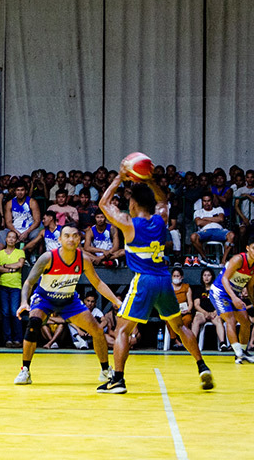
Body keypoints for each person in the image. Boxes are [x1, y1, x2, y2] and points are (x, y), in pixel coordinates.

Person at [98, 159, 213, 394]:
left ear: (132, 204)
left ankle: (118, 380)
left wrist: (120, 176)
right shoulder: (160, 219)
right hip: (164, 280)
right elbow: (163, 200)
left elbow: (103, 204)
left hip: (145, 280)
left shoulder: (129, 224)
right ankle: (202, 366)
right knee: (179, 326)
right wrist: (149, 179)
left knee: (122, 330)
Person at [14, 226, 122, 386]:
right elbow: (29, 282)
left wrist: (116, 301)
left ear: (79, 239)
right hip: (45, 298)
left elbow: (98, 283)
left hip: (69, 300)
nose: (71, 239)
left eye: (74, 236)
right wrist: (24, 301)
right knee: (34, 323)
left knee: (97, 330)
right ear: (60, 239)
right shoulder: (47, 257)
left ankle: (105, 371)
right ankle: (25, 371)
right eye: (67, 236)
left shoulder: (83, 259)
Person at [208, 239, 254, 362]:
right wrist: (234, 297)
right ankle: (238, 352)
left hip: (234, 294)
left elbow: (249, 287)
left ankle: (241, 353)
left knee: (245, 321)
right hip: (220, 292)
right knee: (231, 319)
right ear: (248, 248)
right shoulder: (238, 259)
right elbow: (224, 279)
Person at [0, 230, 26, 347]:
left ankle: (18, 339)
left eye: (14, 238)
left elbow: (20, 265)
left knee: (15, 312)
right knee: (5, 313)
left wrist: (5, 266)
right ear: (6, 239)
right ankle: (8, 339)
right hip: (3, 285)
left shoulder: (20, 252)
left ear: (17, 240)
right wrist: (11, 269)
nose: (11, 239)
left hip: (15, 286)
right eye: (9, 237)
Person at [188, 194, 235, 266]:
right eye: (204, 201)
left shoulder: (219, 209)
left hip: (219, 231)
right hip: (205, 231)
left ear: (212, 201)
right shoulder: (198, 212)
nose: (206, 203)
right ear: (202, 202)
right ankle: (205, 258)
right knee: (193, 237)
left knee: (231, 235)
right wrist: (215, 219)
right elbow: (198, 222)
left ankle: (223, 261)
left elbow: (221, 219)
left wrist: (204, 218)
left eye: (208, 201)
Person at [191, 268, 227, 351]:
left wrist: (215, 312)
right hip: (202, 313)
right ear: (202, 277)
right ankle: (192, 343)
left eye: (209, 275)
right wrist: (205, 313)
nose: (206, 278)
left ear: (212, 277)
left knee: (219, 320)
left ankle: (222, 343)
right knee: (196, 320)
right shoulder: (198, 290)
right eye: (204, 275)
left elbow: (221, 303)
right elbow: (196, 305)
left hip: (215, 313)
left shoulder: (217, 289)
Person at [4, 181, 43, 255]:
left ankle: (31, 255)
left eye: (22, 190)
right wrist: (16, 233)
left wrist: (27, 232)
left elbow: (37, 220)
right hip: (15, 229)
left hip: (29, 229)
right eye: (18, 190)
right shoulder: (10, 203)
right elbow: (8, 222)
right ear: (15, 191)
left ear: (26, 191)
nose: (20, 192)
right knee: (1, 233)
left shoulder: (32, 202)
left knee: (37, 234)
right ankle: (0, 256)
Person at [168, 267, 194, 350]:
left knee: (187, 319)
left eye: (178, 276)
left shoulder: (186, 287)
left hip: (184, 312)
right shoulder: (168, 288)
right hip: (173, 313)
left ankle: (183, 340)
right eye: (174, 276)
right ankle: (175, 341)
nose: (176, 278)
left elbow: (190, 303)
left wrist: (188, 310)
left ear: (182, 277)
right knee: (169, 320)